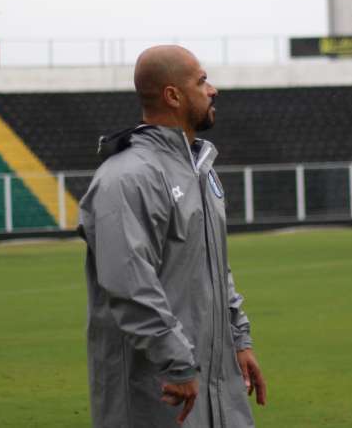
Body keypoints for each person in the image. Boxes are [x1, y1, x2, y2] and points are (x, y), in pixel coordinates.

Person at [78, 45, 267, 427]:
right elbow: (129, 285)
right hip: (161, 393)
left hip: (216, 387)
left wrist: (238, 339)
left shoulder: (200, 169)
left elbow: (215, 266)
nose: (212, 89)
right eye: (202, 81)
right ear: (173, 95)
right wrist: (177, 364)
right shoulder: (127, 178)